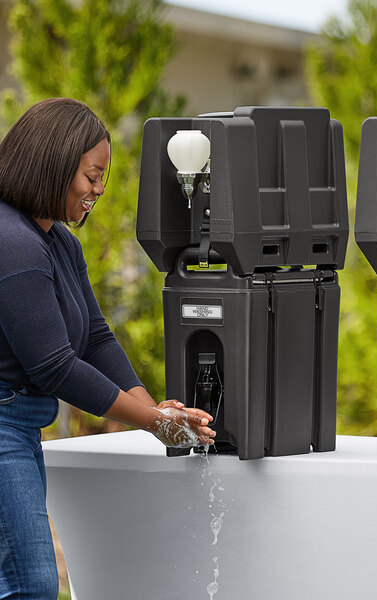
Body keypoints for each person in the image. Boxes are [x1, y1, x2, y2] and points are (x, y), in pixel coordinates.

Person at [0, 98, 215, 599]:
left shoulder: (56, 242)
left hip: (19, 423)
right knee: (29, 583)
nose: (99, 190)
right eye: (92, 176)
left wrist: (153, 406)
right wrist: (153, 422)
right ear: (52, 164)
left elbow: (94, 337)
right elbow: (54, 366)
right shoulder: (12, 241)